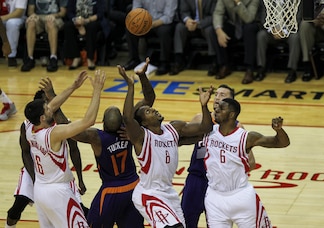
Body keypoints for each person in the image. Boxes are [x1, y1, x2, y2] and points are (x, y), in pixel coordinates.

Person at [119, 62, 213, 227]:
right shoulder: (141, 136)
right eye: (148, 111)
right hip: (149, 194)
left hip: (168, 193)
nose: (153, 110)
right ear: (144, 124)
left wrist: (204, 106)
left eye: (152, 109)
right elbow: (127, 118)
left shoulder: (174, 128)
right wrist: (130, 86)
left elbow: (205, 128)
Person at [71, 59, 155, 227]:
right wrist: (141, 78)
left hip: (111, 191)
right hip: (133, 187)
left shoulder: (96, 137)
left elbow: (69, 130)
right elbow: (149, 98)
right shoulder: (129, 129)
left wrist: (54, 102)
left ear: (102, 123)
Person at [22, 70, 105, 227]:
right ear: (42, 118)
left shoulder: (29, 128)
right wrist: (97, 91)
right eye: (47, 109)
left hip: (40, 190)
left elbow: (54, 104)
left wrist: (74, 86)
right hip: (58, 193)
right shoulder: (53, 134)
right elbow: (88, 120)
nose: (51, 108)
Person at [6, 85, 89, 228]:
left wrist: (80, 179)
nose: (51, 107)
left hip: (55, 177)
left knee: (79, 210)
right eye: (47, 105)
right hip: (35, 170)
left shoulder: (60, 124)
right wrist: (35, 178)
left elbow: (74, 149)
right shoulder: (27, 127)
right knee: (17, 207)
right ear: (41, 115)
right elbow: (25, 152)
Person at [203, 98, 290, 227]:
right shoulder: (208, 131)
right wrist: (203, 105)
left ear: (232, 114)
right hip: (214, 197)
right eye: (216, 107)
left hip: (240, 196)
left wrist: (279, 130)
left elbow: (282, 143)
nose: (216, 110)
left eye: (222, 108)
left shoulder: (246, 137)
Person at [180, 84, 256, 228]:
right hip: (196, 178)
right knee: (186, 221)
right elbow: (178, 139)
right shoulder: (200, 118)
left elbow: (251, 162)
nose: (217, 97)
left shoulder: (239, 129)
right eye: (217, 94)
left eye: (223, 95)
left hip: (219, 185)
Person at [123, 0, 178, 75]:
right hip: (145, 23)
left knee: (164, 31)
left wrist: (151, 24)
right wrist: (141, 22)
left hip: (162, 23)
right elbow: (135, 10)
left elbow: (169, 17)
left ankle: (164, 62)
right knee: (130, 29)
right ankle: (134, 59)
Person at [212, 0, 260, 81]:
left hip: (250, 24)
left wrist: (238, 2)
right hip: (234, 24)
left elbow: (248, 19)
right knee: (219, 30)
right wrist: (219, 30)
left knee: (249, 29)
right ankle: (225, 65)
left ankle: (249, 68)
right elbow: (218, 13)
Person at [255, 0, 302, 83]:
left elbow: (298, 19)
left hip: (288, 32)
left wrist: (284, 31)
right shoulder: (266, 1)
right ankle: (261, 68)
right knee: (261, 35)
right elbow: (262, 19)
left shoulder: (295, 1)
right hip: (271, 32)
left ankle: (292, 70)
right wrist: (272, 30)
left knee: (295, 37)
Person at [169, 0, 217, 76]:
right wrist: (187, 20)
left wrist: (198, 24)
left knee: (210, 30)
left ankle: (214, 62)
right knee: (179, 28)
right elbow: (183, 11)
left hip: (205, 24)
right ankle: (178, 61)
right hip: (190, 24)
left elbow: (214, 15)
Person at [21, 0, 68, 72]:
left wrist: (54, 15)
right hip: (38, 16)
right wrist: (33, 15)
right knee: (31, 23)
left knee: (50, 23)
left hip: (55, 17)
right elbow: (30, 11)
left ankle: (53, 58)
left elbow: (63, 12)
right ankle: (29, 58)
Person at [64, 0, 107, 70]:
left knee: (91, 27)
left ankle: (90, 58)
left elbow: (100, 14)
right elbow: (69, 12)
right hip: (77, 21)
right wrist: (77, 22)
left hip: (92, 21)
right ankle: (76, 57)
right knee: (67, 26)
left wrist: (87, 20)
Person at [0, 0, 27, 67]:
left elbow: (19, 12)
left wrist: (2, 18)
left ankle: (11, 56)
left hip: (17, 18)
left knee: (12, 23)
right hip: (2, 18)